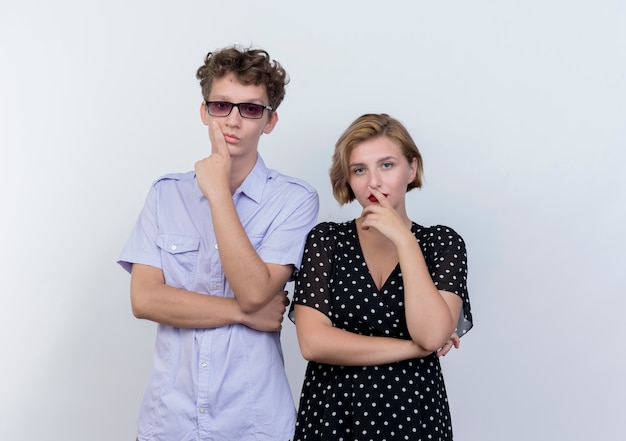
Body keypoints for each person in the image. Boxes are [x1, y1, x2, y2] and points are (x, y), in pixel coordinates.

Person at [117, 45, 319, 441]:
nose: (234, 120)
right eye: (222, 105)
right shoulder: (165, 195)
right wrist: (245, 315)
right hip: (167, 422)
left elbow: (256, 290)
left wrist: (218, 193)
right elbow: (145, 301)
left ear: (270, 121)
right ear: (204, 111)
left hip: (252, 423)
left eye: (251, 109)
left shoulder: (295, 200)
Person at [289, 113, 473, 440]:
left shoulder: (442, 244)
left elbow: (431, 335)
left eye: (386, 165)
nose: (373, 182)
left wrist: (404, 241)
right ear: (348, 178)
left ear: (411, 168)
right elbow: (313, 343)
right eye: (360, 169)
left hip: (413, 411)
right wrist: (413, 348)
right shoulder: (326, 240)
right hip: (333, 411)